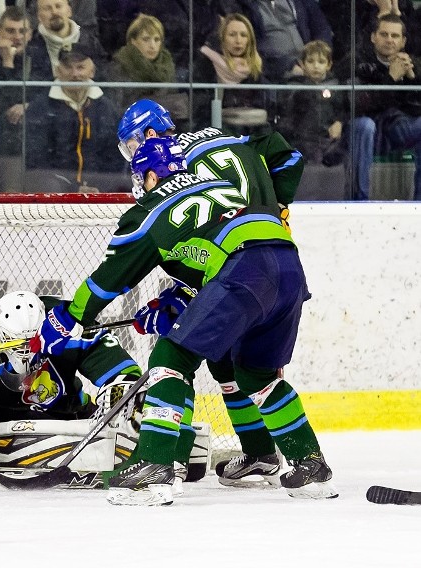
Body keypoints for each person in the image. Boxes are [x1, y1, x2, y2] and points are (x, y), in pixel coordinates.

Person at [33, 135, 338, 505]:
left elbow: (110, 278)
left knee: (169, 359)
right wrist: (174, 305)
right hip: (288, 266)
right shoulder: (217, 185)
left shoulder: (148, 209)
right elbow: (212, 257)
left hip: (244, 270)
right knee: (257, 375)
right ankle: (311, 466)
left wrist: (68, 316)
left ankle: (153, 467)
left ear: (148, 175)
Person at [115, 98, 306, 488]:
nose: (134, 157)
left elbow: (191, 235)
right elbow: (290, 156)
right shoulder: (225, 137)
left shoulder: (171, 165)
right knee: (229, 360)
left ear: (150, 134)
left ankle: (163, 457)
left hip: (239, 263)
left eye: (133, 145)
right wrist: (276, 205)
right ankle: (263, 452)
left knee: (176, 352)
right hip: (266, 253)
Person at [0, 290, 144, 491]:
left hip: (67, 413)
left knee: (131, 404)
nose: (27, 351)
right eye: (17, 344)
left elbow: (125, 374)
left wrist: (120, 391)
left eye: (32, 341)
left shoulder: (66, 325)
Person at [337, 14, 421, 201]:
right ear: (373, 37)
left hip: (394, 129)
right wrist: (390, 78)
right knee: (365, 125)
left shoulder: (411, 64)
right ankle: (360, 202)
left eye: (395, 36)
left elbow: (415, 111)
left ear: (403, 41)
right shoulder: (355, 61)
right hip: (362, 131)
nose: (389, 40)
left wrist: (411, 78)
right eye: (384, 34)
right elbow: (357, 105)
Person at [24, 45, 126, 193]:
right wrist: (74, 188)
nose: (75, 74)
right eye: (68, 68)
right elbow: (37, 160)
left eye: (80, 67)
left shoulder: (107, 108)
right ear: (57, 71)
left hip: (99, 188)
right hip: (56, 187)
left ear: (92, 71)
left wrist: (99, 186)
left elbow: (115, 157)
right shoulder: (40, 108)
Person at [276, 40, 348, 197]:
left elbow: (342, 109)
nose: (316, 66)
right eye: (311, 61)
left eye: (321, 62)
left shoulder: (335, 86)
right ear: (302, 64)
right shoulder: (293, 86)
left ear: (329, 65)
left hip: (327, 141)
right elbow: (287, 115)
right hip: (301, 142)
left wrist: (339, 122)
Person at [192, 12, 272, 137]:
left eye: (243, 35)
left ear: (250, 40)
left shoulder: (257, 67)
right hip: (217, 130)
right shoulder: (207, 63)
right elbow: (200, 109)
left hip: (253, 130)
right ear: (222, 37)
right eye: (232, 35)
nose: (238, 40)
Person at [223, 0, 333, 83]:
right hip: (276, 71)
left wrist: (319, 56)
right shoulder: (244, 6)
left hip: (310, 63)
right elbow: (248, 49)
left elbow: (322, 29)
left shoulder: (301, 2)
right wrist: (288, 66)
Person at [0, 6, 34, 192]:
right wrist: (7, 63)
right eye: (10, 31)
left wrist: (28, 105)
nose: (17, 36)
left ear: (30, 34)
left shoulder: (38, 57)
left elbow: (43, 93)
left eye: (22, 31)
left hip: (27, 122)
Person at [109, 14, 189, 124]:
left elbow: (176, 109)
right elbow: (115, 111)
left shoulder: (167, 66)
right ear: (133, 40)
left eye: (157, 40)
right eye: (146, 39)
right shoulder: (119, 66)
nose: (152, 45)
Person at [23, 0, 108, 85]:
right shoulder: (30, 46)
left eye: (58, 6)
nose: (54, 12)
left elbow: (103, 79)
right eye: (47, 8)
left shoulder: (91, 43)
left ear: (69, 11)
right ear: (39, 17)